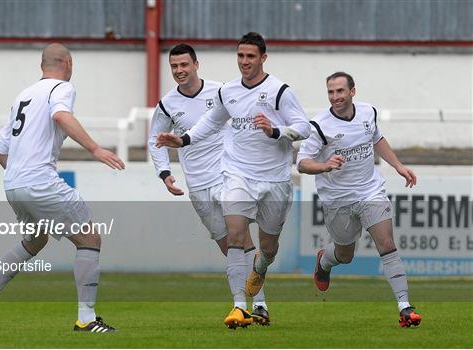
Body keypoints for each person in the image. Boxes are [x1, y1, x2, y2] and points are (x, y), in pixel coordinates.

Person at [0, 43, 125, 332]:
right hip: (39, 182)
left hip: (13, 185)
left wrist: (19, 174)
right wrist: (96, 149)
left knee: (35, 242)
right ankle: (86, 319)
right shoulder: (60, 88)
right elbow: (61, 116)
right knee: (90, 240)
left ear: (42, 65)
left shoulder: (23, 95)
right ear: (68, 63)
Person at [156, 33, 311, 328]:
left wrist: (276, 131)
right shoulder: (228, 91)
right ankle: (240, 306)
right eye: (240, 56)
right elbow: (211, 121)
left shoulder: (280, 91)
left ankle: (261, 274)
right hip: (237, 174)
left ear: (263, 58)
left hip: (275, 180)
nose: (244, 62)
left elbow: (303, 128)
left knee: (268, 247)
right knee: (235, 235)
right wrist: (183, 140)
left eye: (250, 56)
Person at [148, 44, 269, 326]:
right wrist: (164, 173)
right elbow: (155, 140)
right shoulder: (167, 104)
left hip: (228, 176)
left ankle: (248, 306)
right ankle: (254, 300)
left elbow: (246, 118)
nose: (179, 71)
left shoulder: (220, 92)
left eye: (184, 65)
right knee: (229, 246)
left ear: (196, 65)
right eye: (174, 67)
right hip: (198, 185)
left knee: (239, 239)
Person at [296, 71, 422, 327]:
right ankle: (325, 260)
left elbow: (376, 138)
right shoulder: (319, 125)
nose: (335, 97)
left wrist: (398, 166)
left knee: (386, 243)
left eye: (340, 91)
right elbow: (301, 163)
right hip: (337, 199)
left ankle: (405, 307)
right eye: (331, 92)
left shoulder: (367, 113)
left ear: (352, 91)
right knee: (345, 255)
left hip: (370, 191)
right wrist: (325, 166)